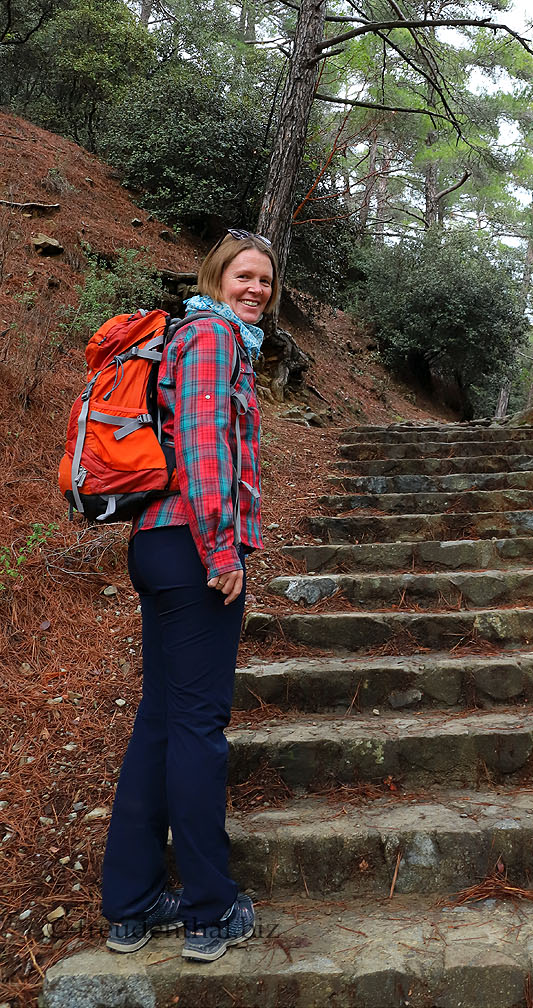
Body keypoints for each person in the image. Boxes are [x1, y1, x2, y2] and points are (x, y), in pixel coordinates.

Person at [100, 230, 278, 963]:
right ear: (216, 276)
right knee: (200, 727)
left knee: (163, 723)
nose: (257, 289)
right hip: (190, 547)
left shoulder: (200, 334)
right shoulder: (212, 337)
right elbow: (205, 446)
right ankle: (210, 910)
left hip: (160, 543)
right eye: (244, 275)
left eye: (266, 280)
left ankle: (132, 904)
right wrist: (222, 548)